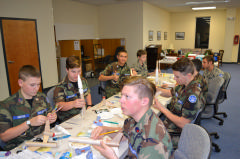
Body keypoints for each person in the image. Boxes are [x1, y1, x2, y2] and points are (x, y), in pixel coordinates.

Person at [91, 76, 173, 159]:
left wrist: (112, 157)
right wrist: (106, 129)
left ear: (144, 101)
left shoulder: (151, 140)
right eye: (122, 95)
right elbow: (125, 135)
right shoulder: (135, 118)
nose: (121, 100)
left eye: (127, 96)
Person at [0, 65, 57, 150]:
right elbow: (4, 137)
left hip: (41, 141)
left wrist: (52, 117)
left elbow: (50, 113)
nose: (36, 88)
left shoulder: (42, 97)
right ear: (20, 83)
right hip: (19, 147)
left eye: (38, 84)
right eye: (32, 85)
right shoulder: (7, 105)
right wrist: (28, 123)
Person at [153, 57, 203, 148]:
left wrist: (162, 109)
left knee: (146, 135)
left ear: (188, 75)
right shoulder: (184, 85)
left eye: (177, 76)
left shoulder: (193, 94)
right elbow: (169, 93)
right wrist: (153, 89)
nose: (174, 79)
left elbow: (183, 123)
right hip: (170, 123)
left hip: (176, 132)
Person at [54, 56, 92, 123]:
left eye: (79, 71)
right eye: (73, 72)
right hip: (69, 120)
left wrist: (89, 106)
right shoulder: (60, 87)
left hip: (84, 114)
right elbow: (59, 106)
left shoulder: (83, 80)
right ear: (67, 70)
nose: (77, 75)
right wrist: (73, 104)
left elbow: (87, 93)